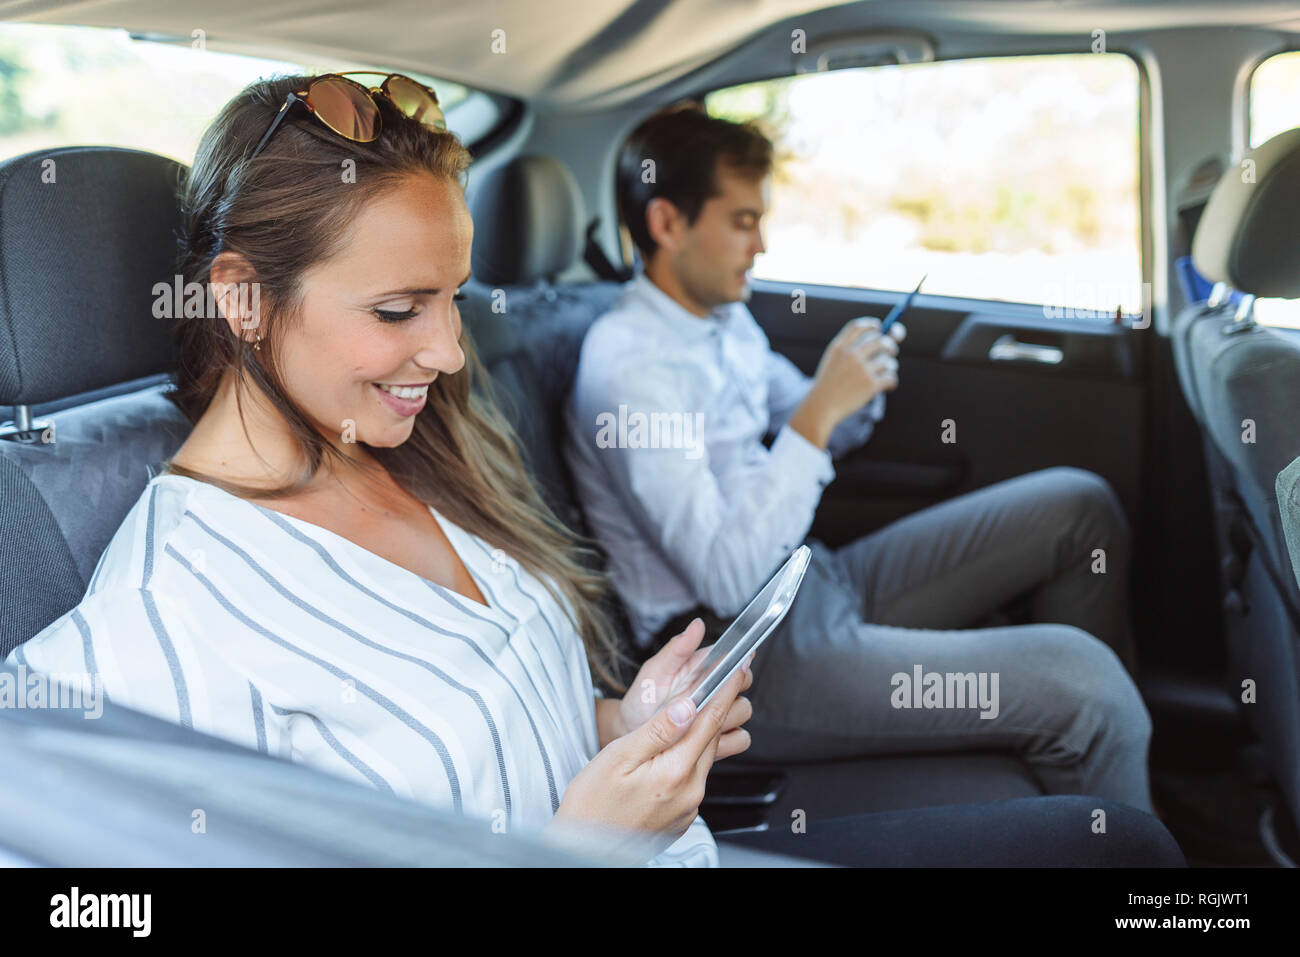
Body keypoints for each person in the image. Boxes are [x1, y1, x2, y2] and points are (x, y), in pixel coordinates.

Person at [4, 74, 1181, 867]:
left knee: (1118, 841)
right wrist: (583, 844)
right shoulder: (151, 640)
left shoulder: (407, 464)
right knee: (1117, 844)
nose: (452, 352)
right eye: (401, 308)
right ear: (241, 300)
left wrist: (626, 715)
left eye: (455, 300)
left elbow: (503, 729)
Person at [564, 104, 1156, 815]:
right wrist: (817, 416)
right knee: (1089, 684)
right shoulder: (629, 367)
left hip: (807, 576)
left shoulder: (721, 320)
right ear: (667, 223)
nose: (761, 246)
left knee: (1078, 508)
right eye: (744, 222)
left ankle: (1072, 768)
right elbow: (727, 576)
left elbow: (822, 427)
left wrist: (852, 388)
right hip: (744, 653)